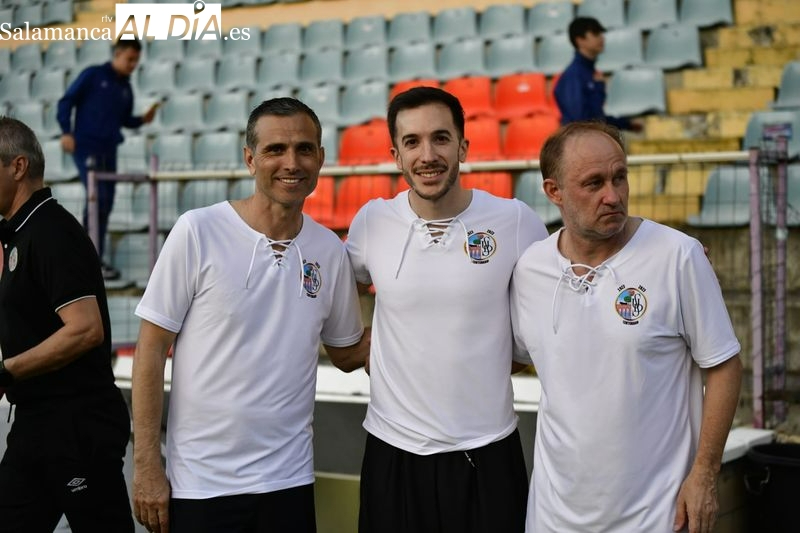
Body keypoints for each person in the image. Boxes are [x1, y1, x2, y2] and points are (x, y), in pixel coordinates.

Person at [131, 97, 369, 533]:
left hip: (289, 481)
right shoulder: (198, 230)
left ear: (320, 158)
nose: (291, 163)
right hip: (202, 485)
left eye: (304, 149)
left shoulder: (330, 251)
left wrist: (417, 321)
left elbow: (348, 353)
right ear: (249, 159)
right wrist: (147, 466)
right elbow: (149, 350)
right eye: (275, 149)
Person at [510, 121, 742, 533]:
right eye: (593, 183)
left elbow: (723, 366)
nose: (613, 195)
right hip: (552, 517)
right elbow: (514, 357)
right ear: (553, 192)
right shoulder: (530, 269)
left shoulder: (679, 257)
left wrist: (704, 474)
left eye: (620, 177)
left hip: (658, 515)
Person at [346, 87, 549, 533]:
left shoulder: (515, 220)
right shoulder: (371, 221)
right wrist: (368, 352)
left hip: (487, 450)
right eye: (413, 142)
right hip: (393, 451)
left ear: (463, 146)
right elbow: (340, 290)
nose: (428, 154)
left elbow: (565, 286)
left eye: (441, 138)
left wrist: (663, 255)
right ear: (396, 154)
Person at [0, 117, 134, 531]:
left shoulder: (52, 231)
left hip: (76, 425)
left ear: (18, 167)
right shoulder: (21, 233)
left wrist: (6, 372)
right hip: (37, 420)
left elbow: (84, 328)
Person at [57, 38, 157, 279]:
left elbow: (124, 120)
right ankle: (84, 259)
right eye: (129, 59)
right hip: (86, 147)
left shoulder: (126, 88)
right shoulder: (93, 75)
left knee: (106, 203)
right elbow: (66, 101)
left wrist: (142, 120)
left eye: (136, 61)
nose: (133, 65)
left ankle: (92, 259)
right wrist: (66, 131)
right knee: (97, 199)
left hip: (109, 151)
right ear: (117, 54)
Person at [553, 17, 641, 131]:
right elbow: (581, 123)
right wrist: (598, 90)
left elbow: (596, 117)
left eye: (601, 33)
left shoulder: (589, 73)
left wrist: (626, 124)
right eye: (595, 33)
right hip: (581, 144)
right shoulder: (573, 75)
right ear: (580, 40)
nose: (602, 37)